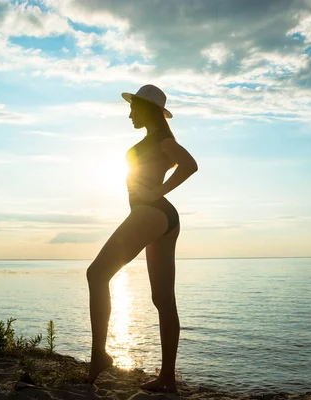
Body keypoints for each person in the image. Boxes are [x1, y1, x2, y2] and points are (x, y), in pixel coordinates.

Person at [86, 84, 199, 392]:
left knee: (96, 274)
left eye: (133, 107)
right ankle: (168, 379)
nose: (130, 113)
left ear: (146, 109)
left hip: (151, 212)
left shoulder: (162, 139)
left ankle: (99, 356)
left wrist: (157, 192)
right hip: (162, 218)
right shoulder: (152, 139)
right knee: (162, 299)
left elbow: (190, 165)